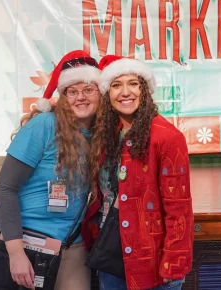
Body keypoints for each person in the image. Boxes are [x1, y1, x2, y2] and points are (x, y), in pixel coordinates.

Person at [0, 50, 101, 290]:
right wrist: (15, 253)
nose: (81, 97)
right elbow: (6, 188)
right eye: (72, 91)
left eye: (89, 89)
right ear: (63, 96)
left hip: (70, 242)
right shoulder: (44, 125)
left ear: (101, 94)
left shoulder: (101, 135)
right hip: (22, 239)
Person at [83, 55, 194, 290]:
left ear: (144, 90)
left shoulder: (167, 137)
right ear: (107, 93)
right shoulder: (107, 135)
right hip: (112, 255)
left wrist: (173, 262)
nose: (125, 92)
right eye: (116, 85)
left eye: (133, 83)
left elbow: (179, 208)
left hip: (152, 261)